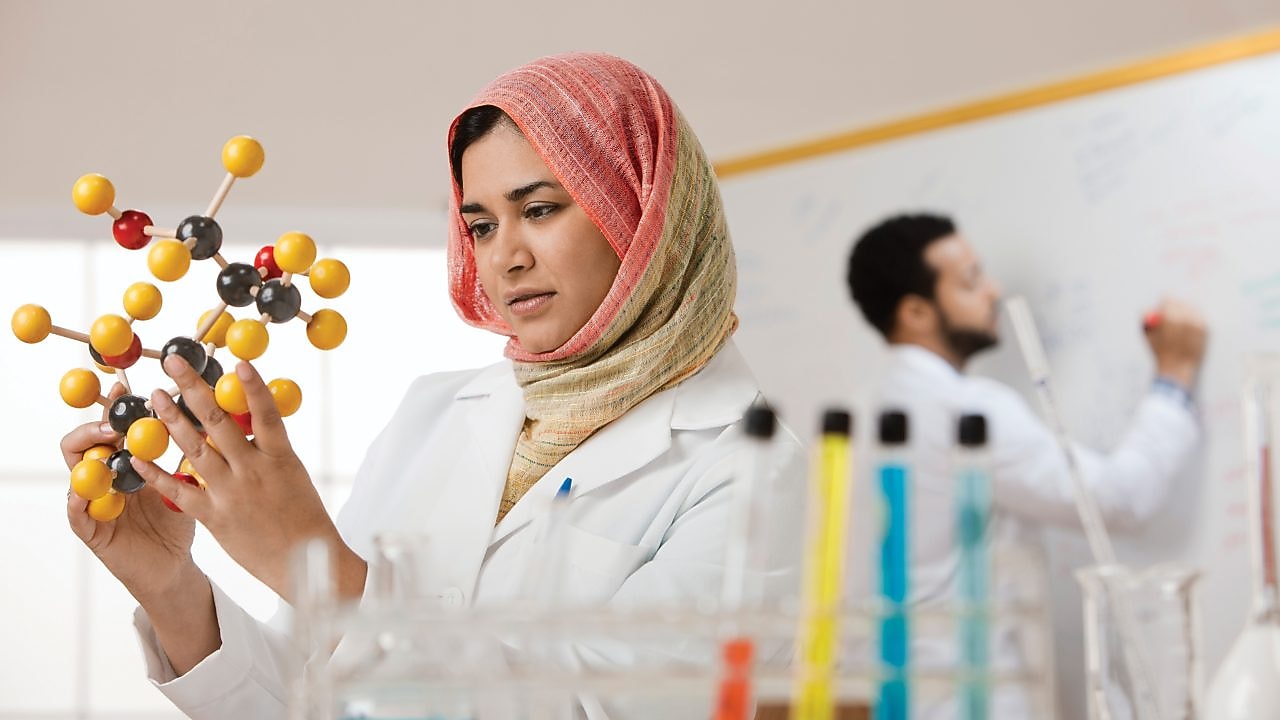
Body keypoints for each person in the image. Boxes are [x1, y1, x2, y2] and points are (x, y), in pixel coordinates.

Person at [59, 53, 805, 719]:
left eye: (539, 210)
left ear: (646, 213)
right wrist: (170, 588)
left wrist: (317, 568)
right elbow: (305, 698)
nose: (505, 257)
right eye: (480, 225)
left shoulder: (759, 472)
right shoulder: (438, 411)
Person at [845, 212, 1207, 717]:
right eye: (970, 281)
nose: (993, 290)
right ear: (916, 312)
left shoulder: (862, 410)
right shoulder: (964, 410)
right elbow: (1120, 501)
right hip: (966, 700)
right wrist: (1175, 373)